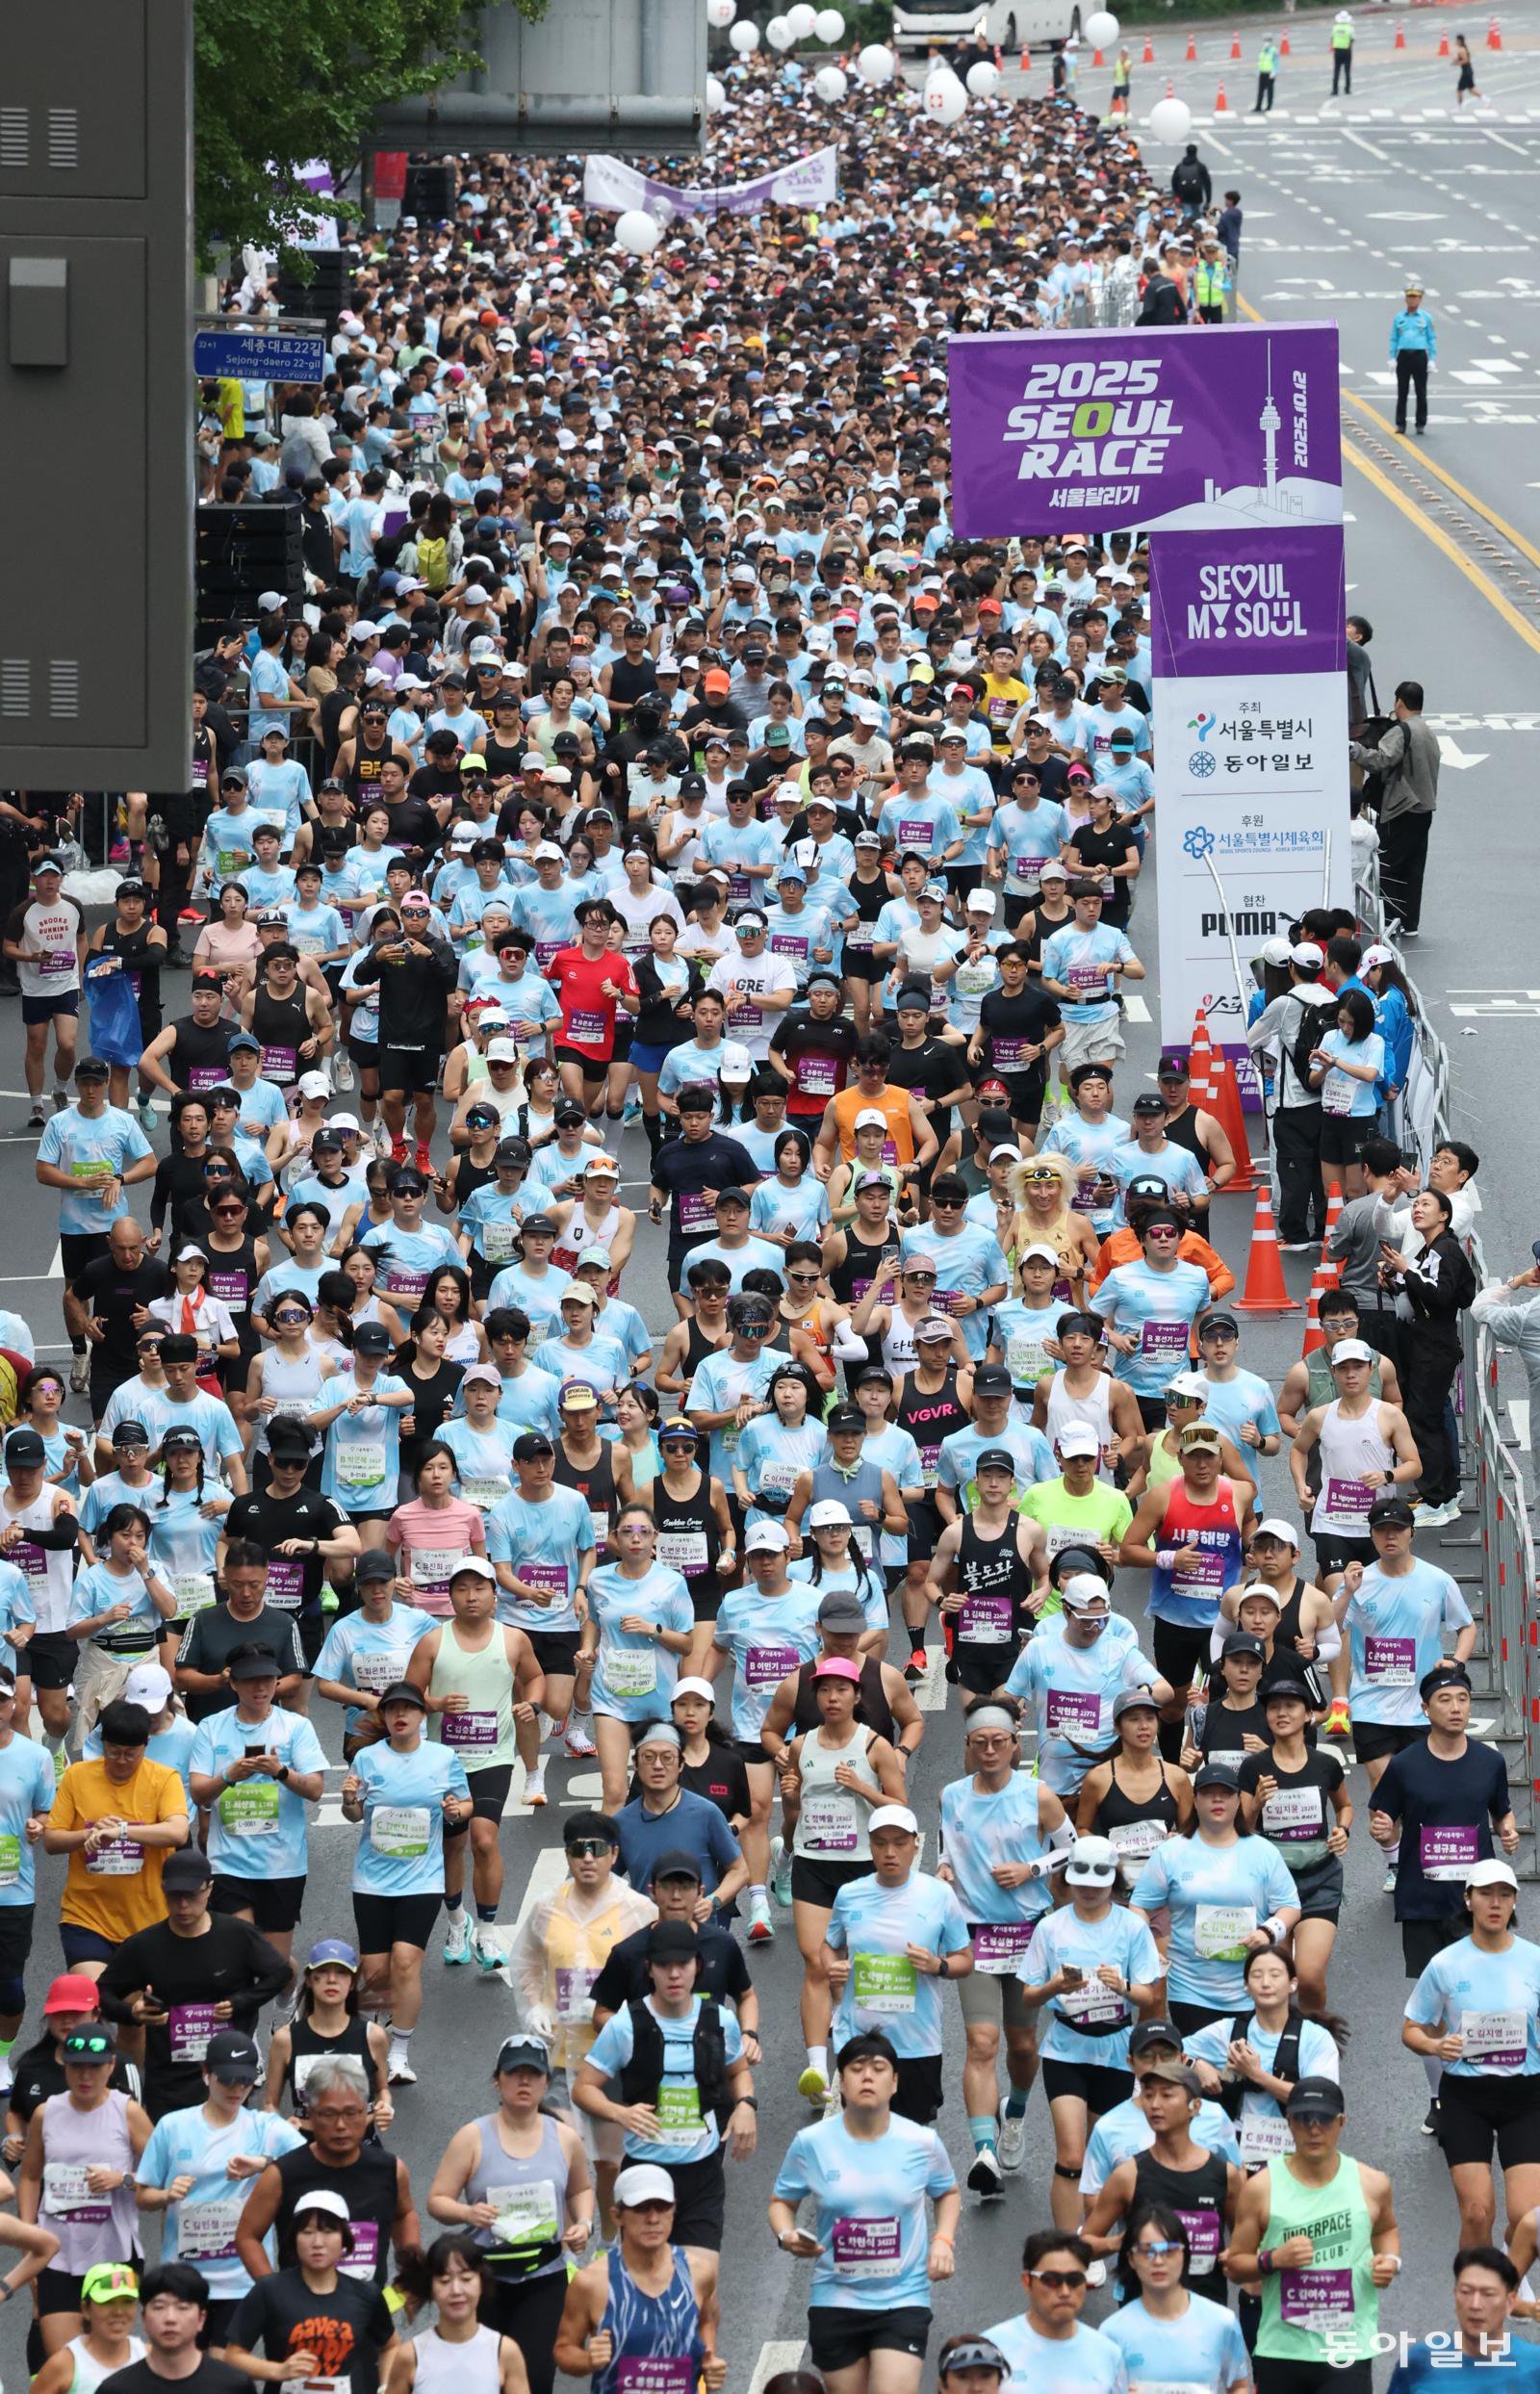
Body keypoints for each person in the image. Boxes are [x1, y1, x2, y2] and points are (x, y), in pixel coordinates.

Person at [575, 1919, 755, 2311]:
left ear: (697, 1966)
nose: (674, 1974)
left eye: (683, 1964)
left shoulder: (719, 2020)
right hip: (644, 2174)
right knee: (646, 2287)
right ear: (649, 1970)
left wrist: (745, 2106)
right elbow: (584, 2088)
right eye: (664, 1965)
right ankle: (648, 2361)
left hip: (702, 2172)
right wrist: (619, 2113)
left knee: (700, 2284)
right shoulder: (625, 2026)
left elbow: (738, 2071)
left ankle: (698, 2365)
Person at [769, 2031, 960, 2394]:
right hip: (835, 2297)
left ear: (895, 2082)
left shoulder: (921, 2142)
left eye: (879, 2068)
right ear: (841, 2082)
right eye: (856, 2068)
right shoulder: (812, 2143)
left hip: (903, 2297)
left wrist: (943, 2240)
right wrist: (787, 2235)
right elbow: (781, 2202)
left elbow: (948, 2192)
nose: (868, 2076)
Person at [1371, 1661, 1517, 2130]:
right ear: (1425, 1708)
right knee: (1432, 2004)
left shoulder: (1489, 1762)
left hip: (1480, 1902)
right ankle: (1440, 2099)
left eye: (1462, 1700)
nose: (1456, 1708)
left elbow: (1500, 1816)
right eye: (1445, 1700)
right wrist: (1381, 1832)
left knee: (1481, 1997)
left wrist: (1509, 1834)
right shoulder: (1405, 1765)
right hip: (1421, 1899)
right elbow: (1383, 1820)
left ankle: (1479, 2087)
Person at [937, 1702, 1067, 2191]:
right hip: (975, 1936)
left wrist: (1030, 1870)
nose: (990, 1751)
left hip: (1029, 1935)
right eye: (979, 1744)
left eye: (999, 1743)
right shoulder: (951, 1796)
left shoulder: (1038, 1795)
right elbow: (947, 1847)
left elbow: (1074, 1848)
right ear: (968, 1749)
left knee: (1023, 2044)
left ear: (1016, 1745)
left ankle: (1014, 2113)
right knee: (980, 2043)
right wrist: (945, 1869)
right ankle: (984, 2153)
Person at [426, 2032, 593, 2383]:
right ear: (497, 2080)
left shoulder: (564, 2137)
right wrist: (468, 2214)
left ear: (546, 2082)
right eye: (515, 2073)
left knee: (534, 2375)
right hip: (485, 2277)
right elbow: (437, 2201)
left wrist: (584, 2224)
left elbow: (581, 2189)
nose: (524, 2081)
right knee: (485, 2378)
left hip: (544, 2276)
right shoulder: (472, 2137)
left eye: (533, 2074)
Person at [1018, 1833, 1164, 2230]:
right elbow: (1030, 1996)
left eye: (1098, 1882)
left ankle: (1093, 2238)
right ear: (1067, 1880)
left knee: (1101, 2158)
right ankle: (1069, 2248)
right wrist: (1055, 1988)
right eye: (1080, 1880)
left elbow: (1148, 1993)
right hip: (1065, 2049)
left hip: (1115, 2050)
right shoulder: (1050, 1928)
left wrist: (1123, 1989)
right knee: (1070, 2157)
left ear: (1112, 1883)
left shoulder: (1133, 1928)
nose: (1088, 1890)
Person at [407, 1557, 544, 1969]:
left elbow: (535, 1677)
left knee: (485, 1840)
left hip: (494, 1757)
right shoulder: (433, 1641)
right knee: (453, 1845)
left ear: (494, 1595)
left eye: (479, 1588)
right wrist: (436, 1703)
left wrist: (531, 1704)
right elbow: (407, 1697)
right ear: (450, 1596)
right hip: (445, 1760)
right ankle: (455, 1921)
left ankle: (487, 1931)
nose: (471, 1597)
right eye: (462, 1589)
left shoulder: (514, 1640)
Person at [1226, 2076, 1400, 2394]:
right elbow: (1235, 2265)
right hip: (1282, 2349)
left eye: (1324, 2119)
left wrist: (1389, 2260)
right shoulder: (1262, 2188)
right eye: (1304, 2119)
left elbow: (1386, 2229)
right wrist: (1273, 2259)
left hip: (1348, 2347)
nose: (1314, 2128)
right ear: (1290, 2123)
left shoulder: (1372, 2183)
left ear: (1341, 2122)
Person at [134, 2029, 305, 2347]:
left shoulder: (266, 2128)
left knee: (224, 2375)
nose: (237, 2089)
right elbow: (142, 2196)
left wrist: (265, 2164)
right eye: (227, 2080)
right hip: (183, 2279)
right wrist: (166, 2195)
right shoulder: (174, 2126)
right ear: (205, 2074)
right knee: (182, 2373)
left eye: (244, 2080)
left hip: (241, 2280)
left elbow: (313, 2164)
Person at [340, 1682, 473, 2084]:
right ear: (384, 1717)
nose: (401, 1716)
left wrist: (454, 1811)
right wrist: (349, 1802)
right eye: (393, 1709)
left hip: (422, 1880)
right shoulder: (366, 1758)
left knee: (405, 1962)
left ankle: (399, 2051)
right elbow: (353, 1815)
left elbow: (464, 1804)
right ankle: (373, 2031)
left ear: (421, 1716)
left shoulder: (442, 1757)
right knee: (376, 1971)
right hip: (372, 1880)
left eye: (409, 1709)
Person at [96, 1845, 291, 2122]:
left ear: (209, 1889)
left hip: (227, 2071)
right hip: (168, 2080)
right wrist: (132, 2013)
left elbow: (280, 1973)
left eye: (191, 1895)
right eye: (174, 1896)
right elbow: (101, 1993)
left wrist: (241, 2003)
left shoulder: (236, 1935)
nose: (183, 1905)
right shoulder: (144, 1946)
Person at [1130, 1763, 1300, 2034]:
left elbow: (1290, 1906)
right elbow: (1140, 1904)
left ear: (1237, 1801)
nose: (1218, 1800)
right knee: (1201, 2072)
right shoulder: (1171, 1852)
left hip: (1252, 1986)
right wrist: (1147, 1950)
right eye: (1209, 1793)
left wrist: (1269, 1932)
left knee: (1246, 2070)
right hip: (1189, 1987)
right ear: (1195, 1801)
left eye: (1226, 1793)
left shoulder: (1263, 1851)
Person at [188, 1649, 326, 1970]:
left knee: (274, 1967)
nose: (260, 1688)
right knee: (238, 1952)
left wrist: (281, 1772)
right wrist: (228, 1776)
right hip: (228, 1863)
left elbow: (316, 1790)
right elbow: (197, 1792)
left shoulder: (296, 1727)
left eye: (267, 1680)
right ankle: (241, 2019)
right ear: (233, 1684)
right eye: (251, 1681)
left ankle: (289, 1992)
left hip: (282, 1863)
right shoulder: (210, 1727)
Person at [19, 2021, 153, 2354]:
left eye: (94, 2068)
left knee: (107, 2356)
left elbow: (159, 2177)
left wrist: (121, 2179)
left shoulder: (128, 2112)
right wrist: (28, 2237)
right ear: (65, 2063)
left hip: (114, 2253)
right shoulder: (45, 2113)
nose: (85, 2077)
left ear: (110, 2066)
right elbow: (30, 2176)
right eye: (77, 2066)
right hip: (57, 2254)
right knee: (63, 2359)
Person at [234, 2053, 418, 2290]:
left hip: (367, 2313)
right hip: (301, 2315)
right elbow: (247, 2236)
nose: (341, 2125)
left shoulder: (391, 2170)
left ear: (366, 2112)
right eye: (329, 2114)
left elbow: (404, 2215)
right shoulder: (282, 2174)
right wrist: (274, 2294)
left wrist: (410, 2278)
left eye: (351, 2113)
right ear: (310, 2114)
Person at [45, 1699, 192, 1976]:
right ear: (102, 1744)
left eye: (130, 1754)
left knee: (134, 2016)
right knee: (94, 1999)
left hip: (149, 1919)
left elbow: (178, 1832)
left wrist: (123, 1831)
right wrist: (91, 1834)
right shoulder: (77, 1776)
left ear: (146, 1745)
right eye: (113, 1753)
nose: (122, 1761)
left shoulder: (163, 1779)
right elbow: (52, 1840)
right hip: (86, 1916)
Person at [552, 2163, 723, 2394]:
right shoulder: (591, 2283)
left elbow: (705, 2321)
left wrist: (709, 2358)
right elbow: (564, 2350)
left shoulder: (698, 2273)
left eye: (662, 2207)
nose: (653, 2218)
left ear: (673, 2212)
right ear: (617, 2216)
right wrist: (588, 2360)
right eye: (641, 2208)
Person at [223, 2187, 398, 2392]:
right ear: (294, 2239)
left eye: (328, 2231)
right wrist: (278, 2370)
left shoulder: (367, 2294)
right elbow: (232, 2357)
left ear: (344, 2237)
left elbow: (391, 2346)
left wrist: (387, 2387)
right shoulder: (269, 2291)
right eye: (307, 2232)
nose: (317, 2243)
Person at [979, 2226, 1128, 2391]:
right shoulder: (992, 2349)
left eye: (1074, 2279)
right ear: (1027, 2281)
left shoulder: (1108, 2354)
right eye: (1051, 2280)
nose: (1064, 2291)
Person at [385, 2234, 533, 2394]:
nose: (456, 2290)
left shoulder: (505, 2352)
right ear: (431, 2287)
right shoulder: (410, 2356)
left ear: (481, 2282)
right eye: (445, 2281)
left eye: (466, 2279)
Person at [1349, 682, 1440, 940]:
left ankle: (1390, 920)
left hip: (1401, 808)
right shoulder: (1427, 731)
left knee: (1388, 867)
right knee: (1413, 867)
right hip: (1424, 808)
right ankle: (1410, 922)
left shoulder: (1402, 731)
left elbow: (1381, 760)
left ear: (1399, 702)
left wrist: (1355, 750)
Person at [1389, 2248, 1540, 2392]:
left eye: (1488, 2294)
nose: (1475, 2305)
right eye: (1466, 2292)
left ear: (1510, 2302)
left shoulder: (1534, 2364)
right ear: (1455, 2295)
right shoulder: (1417, 2362)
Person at [95, 2261, 258, 2394]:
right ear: (144, 2318)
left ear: (201, 2319)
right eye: (159, 2307)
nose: (170, 2318)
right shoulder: (115, 2389)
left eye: (182, 2307)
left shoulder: (235, 2386)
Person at [27, 2261, 144, 2394]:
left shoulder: (149, 2358)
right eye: (108, 2302)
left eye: (127, 2302)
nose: (118, 2312)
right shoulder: (63, 2366)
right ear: (86, 2309)